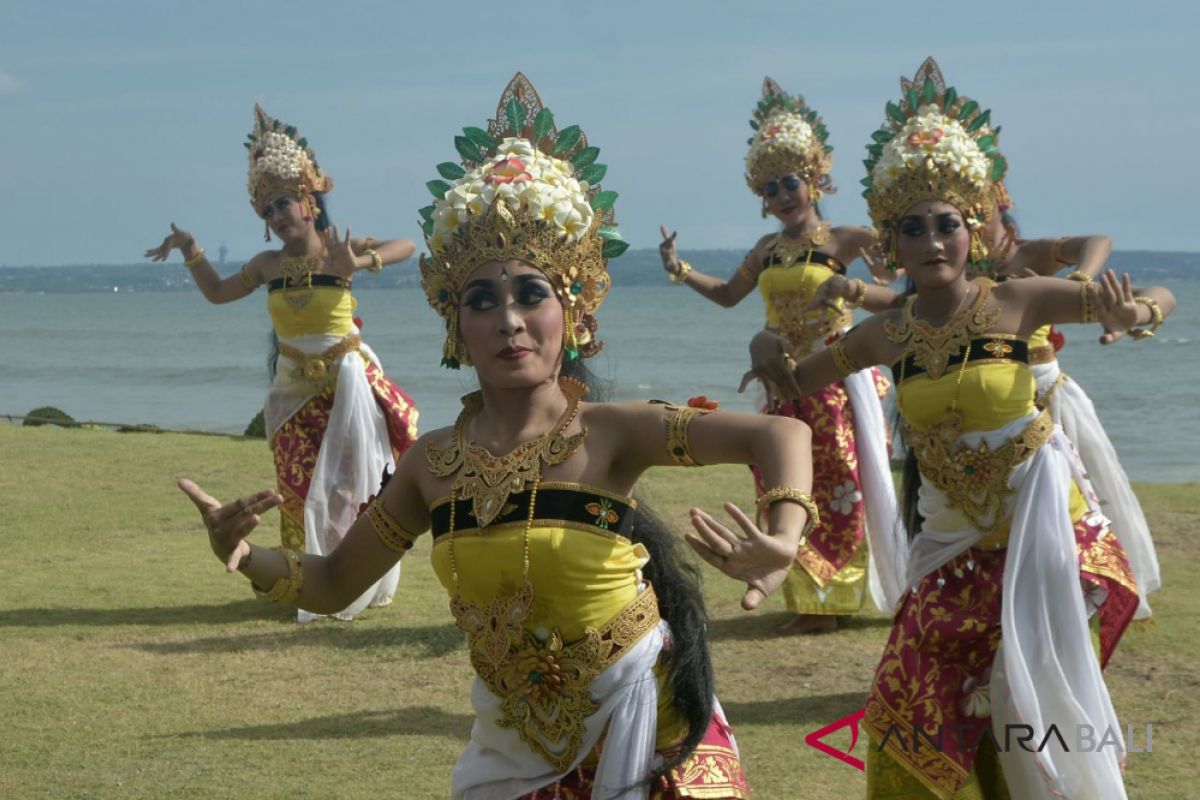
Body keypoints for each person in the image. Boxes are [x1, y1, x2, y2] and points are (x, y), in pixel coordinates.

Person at [180, 74, 817, 799]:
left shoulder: (608, 434)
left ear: (571, 314)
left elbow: (779, 434)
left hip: (649, 737)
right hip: (512, 756)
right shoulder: (432, 464)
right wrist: (240, 554)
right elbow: (329, 584)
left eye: (531, 295)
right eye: (482, 301)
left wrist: (785, 533)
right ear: (457, 326)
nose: (508, 320)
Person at [769, 58, 1174, 798]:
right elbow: (800, 380)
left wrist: (1133, 315)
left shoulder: (1015, 300)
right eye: (913, 227)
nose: (932, 240)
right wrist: (769, 351)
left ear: (969, 226)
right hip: (950, 554)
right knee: (903, 709)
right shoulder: (886, 333)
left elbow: (1158, 292)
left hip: (1042, 547)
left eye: (947, 224)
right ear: (893, 241)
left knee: (1032, 723)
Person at [147, 105, 419, 621]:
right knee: (296, 487)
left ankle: (355, 576)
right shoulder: (266, 266)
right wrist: (190, 248)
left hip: (346, 387)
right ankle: (302, 581)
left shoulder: (338, 250)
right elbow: (219, 292)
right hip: (292, 391)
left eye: (282, 204)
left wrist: (359, 263)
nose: (275, 216)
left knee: (352, 486)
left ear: (309, 202)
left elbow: (406, 243)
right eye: (266, 209)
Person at [658, 77, 897, 634]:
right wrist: (680, 269)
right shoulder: (765, 250)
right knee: (782, 486)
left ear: (813, 179)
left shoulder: (847, 238)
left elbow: (901, 294)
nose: (782, 195)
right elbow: (727, 297)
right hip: (780, 383)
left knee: (840, 488)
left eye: (790, 182)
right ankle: (803, 593)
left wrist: (855, 291)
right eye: (770, 188)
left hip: (836, 381)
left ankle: (832, 602)